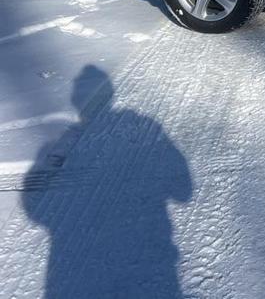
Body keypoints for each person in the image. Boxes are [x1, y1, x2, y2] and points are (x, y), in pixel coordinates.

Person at [22, 65, 192, 298]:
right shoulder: (146, 125)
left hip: (70, 270)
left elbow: (34, 207)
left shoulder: (63, 140)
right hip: (153, 254)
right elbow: (184, 192)